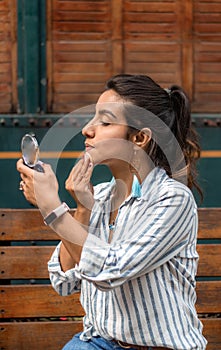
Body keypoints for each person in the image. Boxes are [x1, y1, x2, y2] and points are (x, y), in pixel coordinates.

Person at [17, 74, 207, 350]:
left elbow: (110, 272)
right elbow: (64, 281)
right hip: (96, 342)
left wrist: (52, 208)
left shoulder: (172, 199)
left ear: (139, 138)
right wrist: (82, 209)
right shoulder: (102, 195)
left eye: (104, 121)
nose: (87, 130)